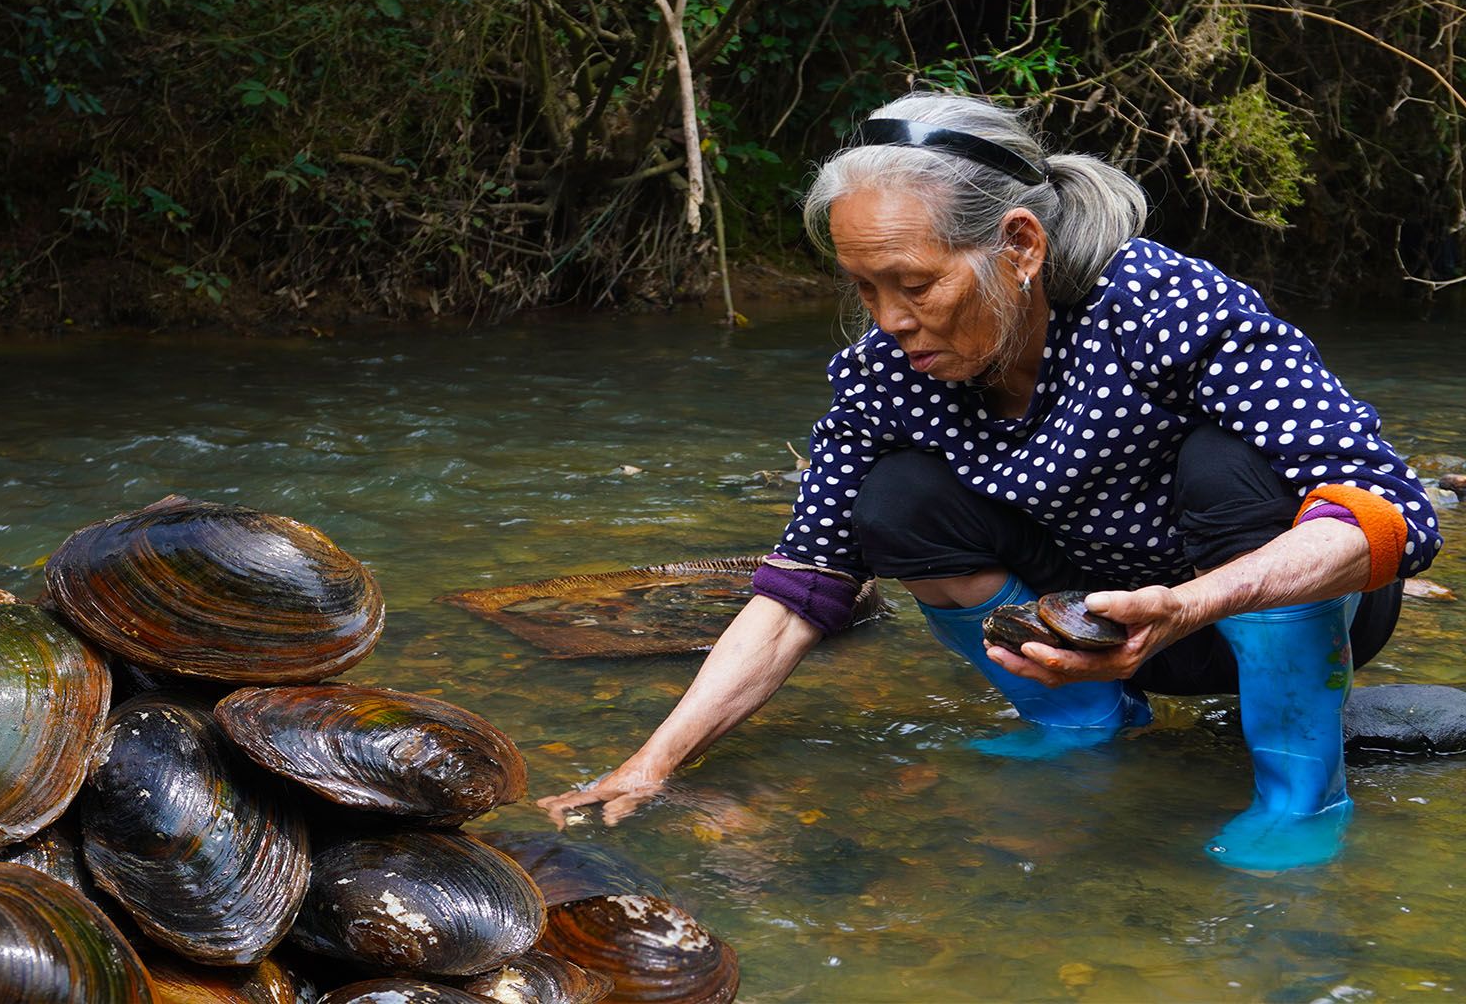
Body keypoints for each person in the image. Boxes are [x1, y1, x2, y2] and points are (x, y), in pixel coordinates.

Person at [539, 92, 1444, 872]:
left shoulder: (1165, 305)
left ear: (1019, 245)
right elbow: (800, 587)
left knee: (1229, 465)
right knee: (890, 500)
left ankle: (1299, 795)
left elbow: (1391, 515)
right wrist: (651, 764)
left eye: (915, 285)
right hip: (1087, 640)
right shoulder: (883, 375)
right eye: (863, 290)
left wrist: (1190, 603)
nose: (890, 322)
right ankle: (1084, 722)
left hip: (1266, 608)